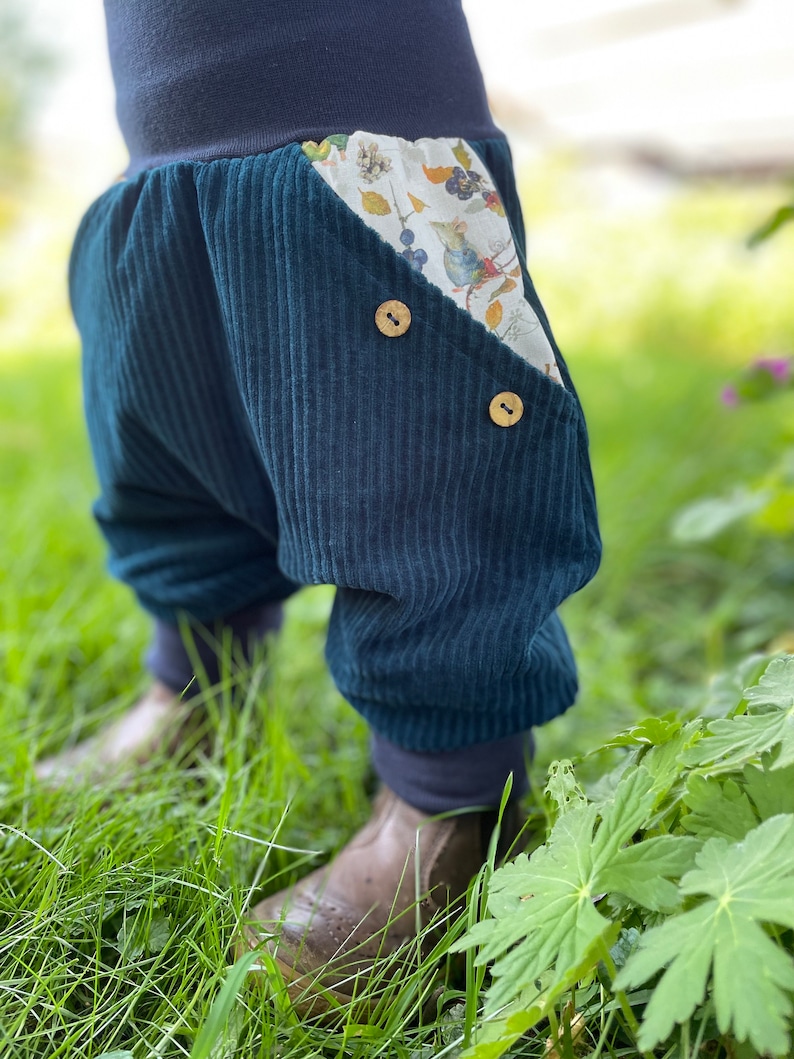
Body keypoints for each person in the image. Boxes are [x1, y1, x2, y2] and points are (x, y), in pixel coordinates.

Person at [37, 0, 601, 1011]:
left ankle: (446, 800)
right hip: (163, 170)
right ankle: (194, 687)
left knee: (416, 466)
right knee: (163, 438)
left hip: (366, 159)